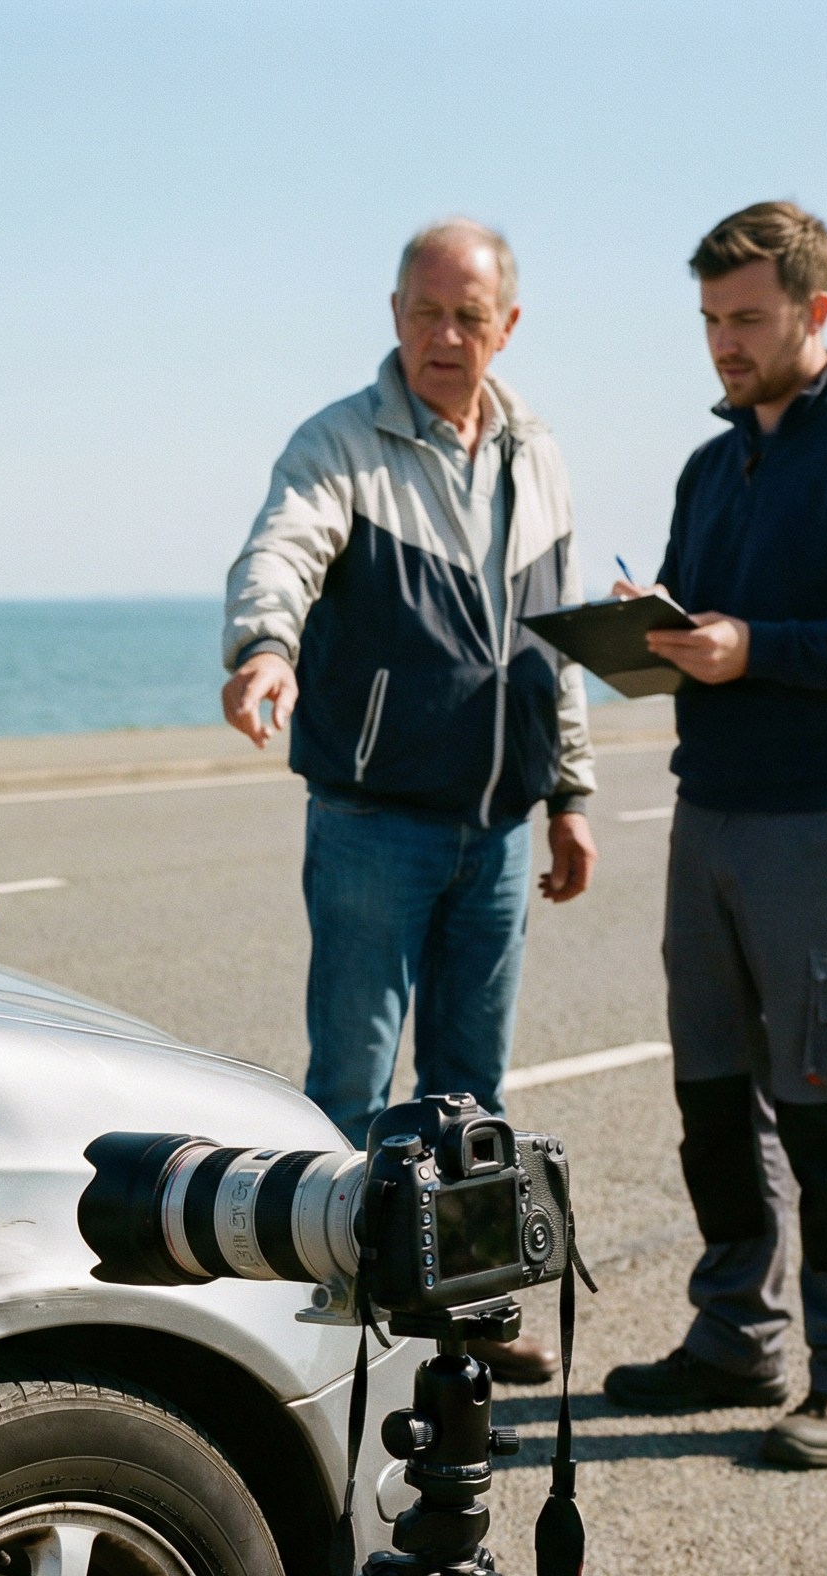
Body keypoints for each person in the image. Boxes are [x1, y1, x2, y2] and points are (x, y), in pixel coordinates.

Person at [602, 200, 827, 1468]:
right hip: (707, 815)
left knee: (825, 1107)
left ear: (814, 310)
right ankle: (731, 1337)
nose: (721, 344)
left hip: (823, 828)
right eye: (707, 321)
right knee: (711, 1102)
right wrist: (653, 627)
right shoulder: (710, 466)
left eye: (745, 319)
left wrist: (750, 646)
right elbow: (706, 632)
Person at [222, 218, 597, 1384]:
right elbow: (280, 547)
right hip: (373, 819)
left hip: (495, 829)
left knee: (468, 1092)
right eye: (423, 311)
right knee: (347, 1083)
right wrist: (263, 645)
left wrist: (572, 789)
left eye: (467, 316)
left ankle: (463, 1304)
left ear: (505, 327)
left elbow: (557, 638)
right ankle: (319, 1323)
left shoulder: (536, 453)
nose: (443, 335)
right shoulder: (339, 443)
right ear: (393, 315)